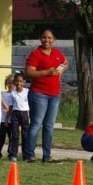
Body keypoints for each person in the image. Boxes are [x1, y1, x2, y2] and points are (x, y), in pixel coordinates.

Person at [23, 29, 67, 163]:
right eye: (44, 37)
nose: (46, 40)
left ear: (54, 40)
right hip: (39, 94)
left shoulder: (58, 53)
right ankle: (29, 155)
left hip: (54, 95)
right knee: (36, 124)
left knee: (49, 126)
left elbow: (65, 63)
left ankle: (47, 156)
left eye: (49, 38)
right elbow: (29, 73)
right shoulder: (35, 54)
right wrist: (47, 72)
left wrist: (60, 72)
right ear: (40, 39)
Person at [6, 72, 30, 160]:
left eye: (20, 81)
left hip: (25, 114)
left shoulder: (27, 92)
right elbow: (10, 107)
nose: (19, 83)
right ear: (14, 82)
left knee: (25, 135)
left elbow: (30, 105)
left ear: (23, 82)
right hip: (15, 114)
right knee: (15, 135)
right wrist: (6, 119)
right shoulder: (12, 94)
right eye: (17, 81)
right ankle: (13, 154)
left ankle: (26, 155)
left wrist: (30, 116)